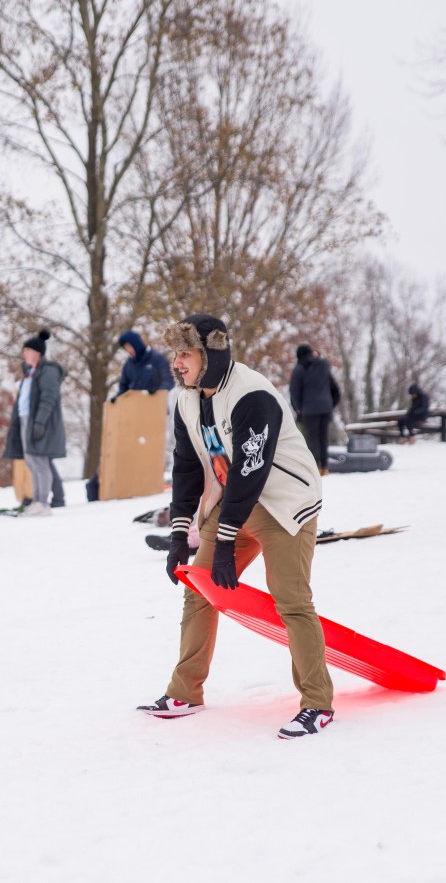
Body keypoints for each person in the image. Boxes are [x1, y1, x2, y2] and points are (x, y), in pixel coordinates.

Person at [137, 313, 334, 739]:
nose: (177, 363)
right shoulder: (187, 400)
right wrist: (179, 534)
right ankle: (185, 692)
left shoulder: (252, 394)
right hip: (233, 503)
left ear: (210, 355)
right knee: (200, 591)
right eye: (175, 354)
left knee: (291, 601)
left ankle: (317, 703)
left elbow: (251, 470)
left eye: (186, 354)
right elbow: (187, 467)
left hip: (284, 505)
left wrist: (226, 540)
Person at [3, 330, 67, 517]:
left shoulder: (48, 372)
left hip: (39, 422)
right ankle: (36, 501)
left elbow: (48, 398)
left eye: (28, 351)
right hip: (25, 420)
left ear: (37, 353)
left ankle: (43, 503)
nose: (24, 354)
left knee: (40, 462)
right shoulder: (29, 373)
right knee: (31, 461)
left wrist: (40, 422)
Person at [289, 344, 341, 474]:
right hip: (325, 408)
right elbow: (335, 388)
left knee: (312, 439)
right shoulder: (323, 365)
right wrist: (331, 404)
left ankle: (315, 467)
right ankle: (325, 467)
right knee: (323, 437)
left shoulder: (299, 369)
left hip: (309, 409)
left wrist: (298, 408)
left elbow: (294, 392)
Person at [114, 330, 174, 399]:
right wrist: (117, 397)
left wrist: (157, 393)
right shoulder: (128, 365)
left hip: (155, 402)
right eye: (126, 348)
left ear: (135, 343)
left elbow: (168, 381)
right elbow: (123, 387)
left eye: (129, 346)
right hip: (135, 403)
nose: (129, 350)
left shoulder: (157, 358)